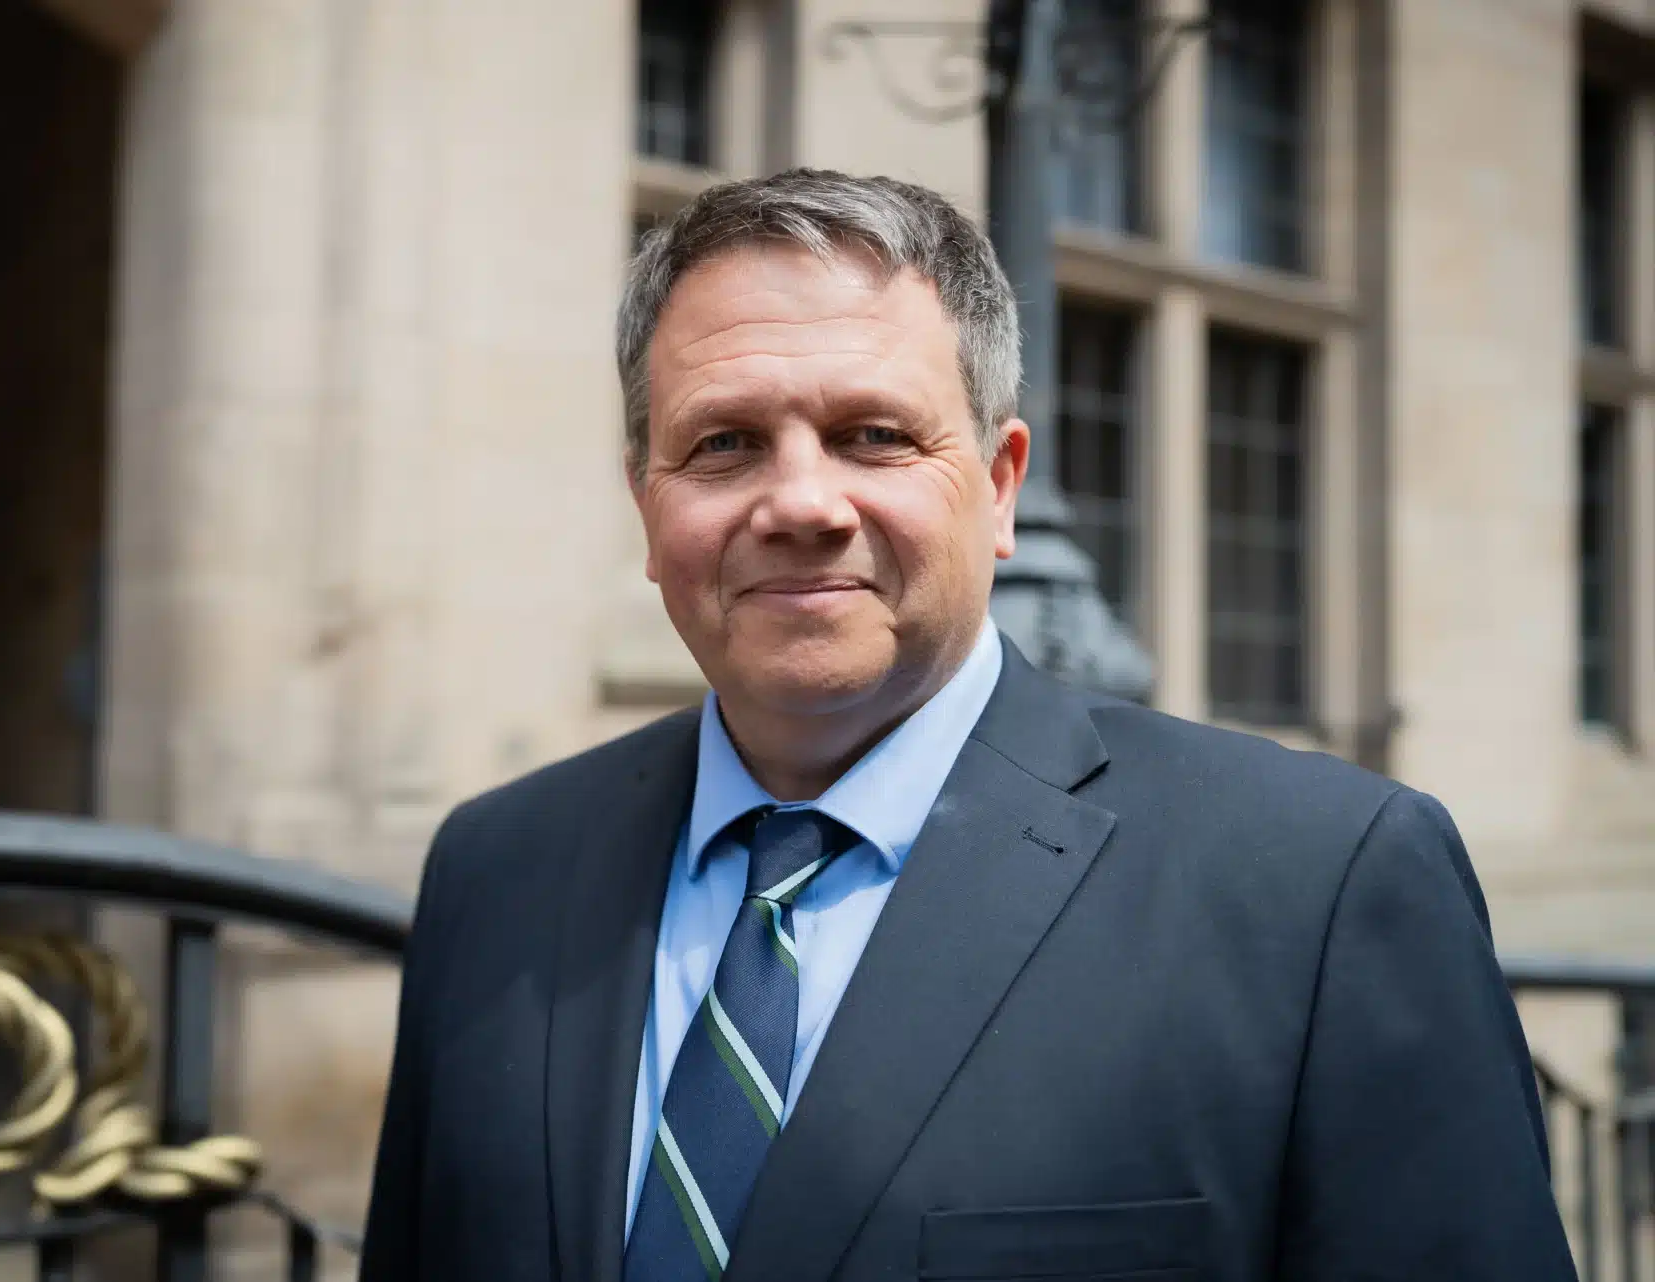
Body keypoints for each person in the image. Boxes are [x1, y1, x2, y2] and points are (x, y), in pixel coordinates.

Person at [358, 169, 1576, 1282]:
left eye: (872, 436)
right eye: (724, 444)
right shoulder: (496, 869)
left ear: (999, 486)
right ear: (648, 501)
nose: (799, 501)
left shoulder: (1319, 886)